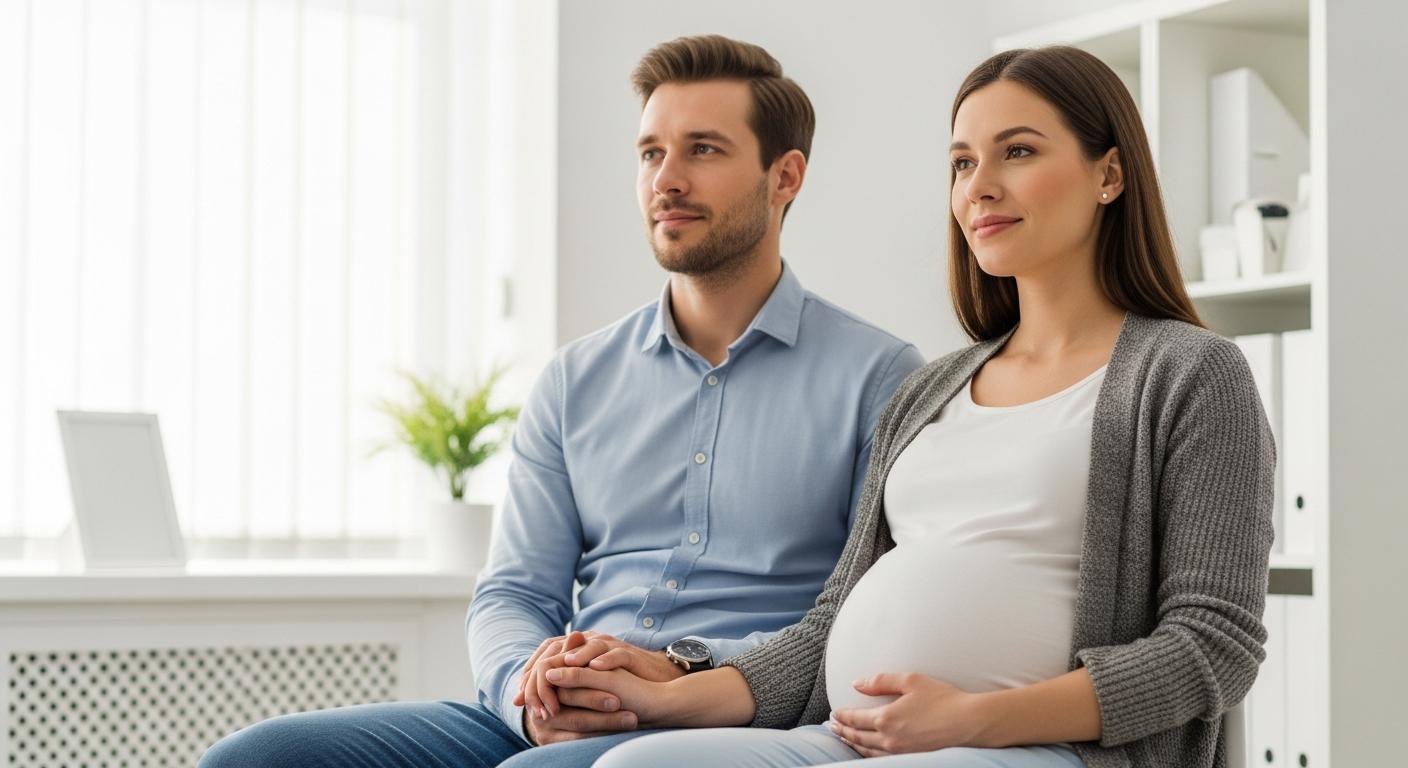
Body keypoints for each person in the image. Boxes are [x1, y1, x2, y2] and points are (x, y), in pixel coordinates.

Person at [196, 34, 923, 768]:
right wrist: (529, 689)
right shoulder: (576, 378)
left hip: (724, 721)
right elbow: (514, 592)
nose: (665, 179)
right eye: (650, 153)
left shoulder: (881, 378)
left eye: (702, 149)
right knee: (256, 757)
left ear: (785, 176)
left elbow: (859, 618)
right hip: (555, 717)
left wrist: (675, 675)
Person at [542, 46, 1275, 768]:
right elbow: (827, 628)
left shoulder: (1190, 374)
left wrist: (974, 720)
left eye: (1016, 152)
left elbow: (1212, 644)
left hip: (1047, 748)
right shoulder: (933, 387)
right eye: (961, 163)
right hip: (851, 735)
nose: (978, 187)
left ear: (1108, 174)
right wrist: (665, 694)